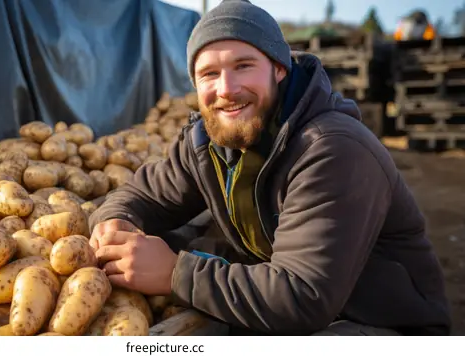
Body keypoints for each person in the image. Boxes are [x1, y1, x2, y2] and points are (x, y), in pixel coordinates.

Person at [88, 0, 451, 336]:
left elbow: (302, 297)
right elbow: (141, 194)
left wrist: (174, 273)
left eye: (243, 66)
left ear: (279, 68)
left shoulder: (332, 149)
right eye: (209, 74)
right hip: (301, 307)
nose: (226, 89)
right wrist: (114, 222)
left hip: (377, 325)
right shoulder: (205, 142)